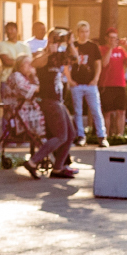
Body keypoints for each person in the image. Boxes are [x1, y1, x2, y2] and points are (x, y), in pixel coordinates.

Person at [30, 43, 79, 178]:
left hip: (58, 102)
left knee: (70, 135)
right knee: (61, 136)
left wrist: (70, 42)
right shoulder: (43, 59)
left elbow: (75, 59)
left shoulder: (58, 58)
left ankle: (58, 168)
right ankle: (33, 162)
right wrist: (47, 52)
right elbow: (34, 63)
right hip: (49, 101)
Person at [69, 21, 106, 146]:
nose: (84, 34)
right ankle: (80, 135)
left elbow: (98, 63)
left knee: (96, 110)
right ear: (78, 32)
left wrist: (96, 78)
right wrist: (70, 80)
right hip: (77, 84)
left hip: (90, 84)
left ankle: (101, 136)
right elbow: (66, 64)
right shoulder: (72, 46)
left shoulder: (93, 46)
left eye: (86, 32)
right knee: (78, 111)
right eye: (81, 31)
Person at [99, 27, 127, 138]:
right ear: (107, 38)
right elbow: (104, 64)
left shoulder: (121, 50)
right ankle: (106, 135)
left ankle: (120, 135)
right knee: (107, 112)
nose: (113, 40)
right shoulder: (102, 49)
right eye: (111, 38)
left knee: (121, 111)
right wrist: (110, 49)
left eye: (115, 38)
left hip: (120, 84)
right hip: (107, 85)